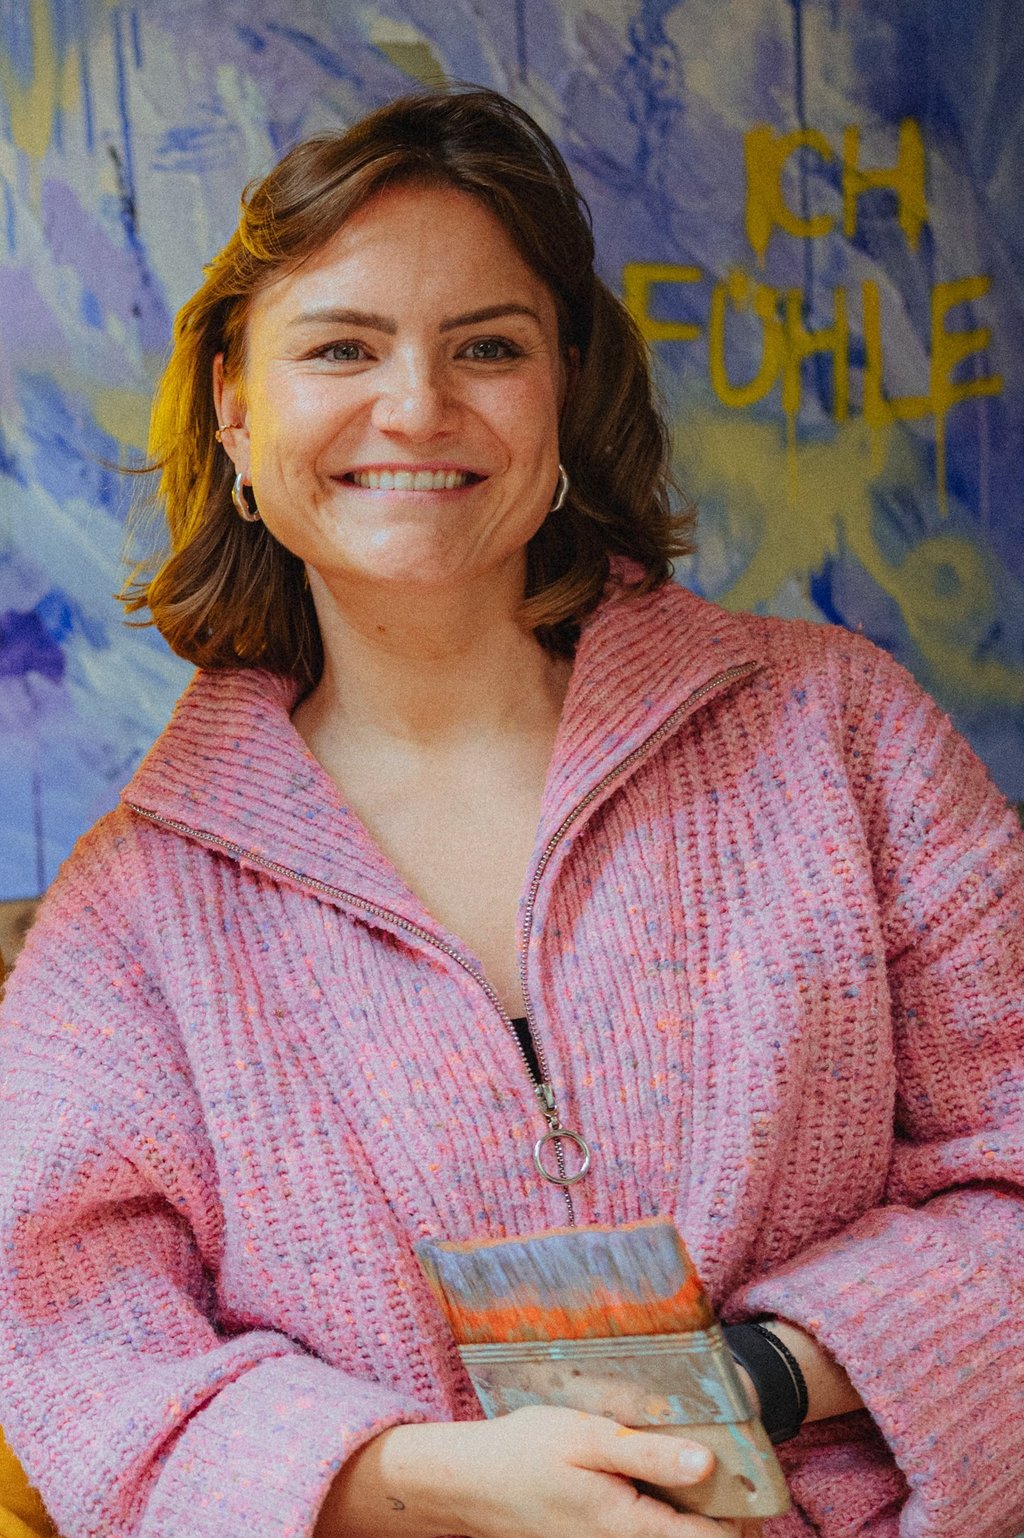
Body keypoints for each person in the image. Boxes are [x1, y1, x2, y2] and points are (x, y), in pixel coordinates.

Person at [0, 86, 1021, 1538]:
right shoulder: (131, 915)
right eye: (341, 347)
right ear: (235, 407)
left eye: (488, 345)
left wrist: (756, 1379)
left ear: (564, 391)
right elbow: (82, 1363)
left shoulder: (842, 733)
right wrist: (424, 1479)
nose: (417, 407)